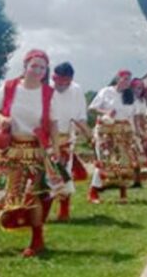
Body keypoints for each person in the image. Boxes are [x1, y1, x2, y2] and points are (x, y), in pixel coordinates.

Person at [0, 49, 61, 258]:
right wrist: (1, 120)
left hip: (34, 150)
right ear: (25, 66)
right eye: (34, 66)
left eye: (42, 67)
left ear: (46, 71)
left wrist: (55, 147)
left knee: (34, 195)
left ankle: (37, 240)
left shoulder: (48, 93)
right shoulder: (10, 87)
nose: (37, 70)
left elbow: (54, 123)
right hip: (8, 148)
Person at [87, 69, 144, 203]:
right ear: (118, 79)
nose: (126, 82)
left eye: (129, 80)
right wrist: (106, 111)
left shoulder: (130, 96)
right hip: (106, 130)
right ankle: (93, 192)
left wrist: (136, 132)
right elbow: (93, 108)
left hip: (123, 131)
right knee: (105, 161)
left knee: (123, 162)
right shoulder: (106, 92)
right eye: (124, 79)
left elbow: (134, 116)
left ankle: (122, 194)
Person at [47, 61, 91, 222]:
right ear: (54, 77)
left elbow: (80, 117)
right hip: (46, 139)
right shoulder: (45, 88)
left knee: (64, 174)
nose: (62, 85)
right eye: (59, 81)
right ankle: (40, 212)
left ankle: (63, 212)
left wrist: (88, 134)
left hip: (66, 139)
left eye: (66, 82)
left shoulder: (76, 90)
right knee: (45, 177)